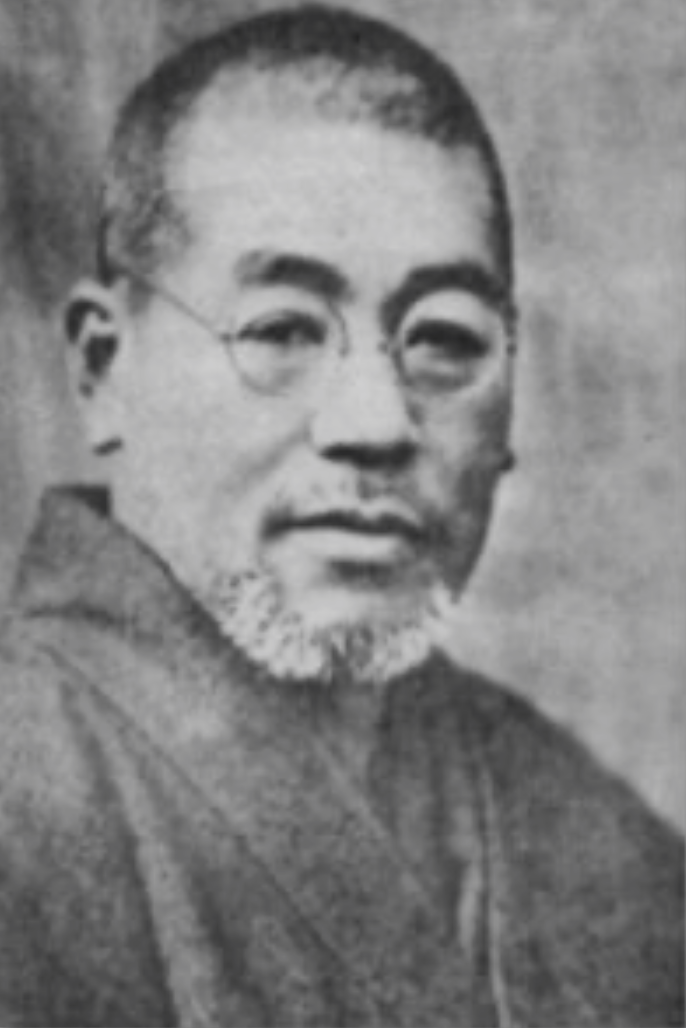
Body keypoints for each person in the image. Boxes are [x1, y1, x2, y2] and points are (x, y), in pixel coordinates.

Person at [0, 5, 681, 1026]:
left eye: (444, 340)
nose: (375, 424)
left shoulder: (582, 829)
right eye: (282, 329)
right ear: (105, 368)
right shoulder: (24, 792)